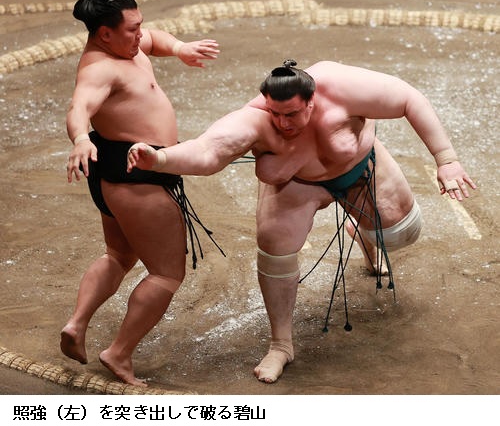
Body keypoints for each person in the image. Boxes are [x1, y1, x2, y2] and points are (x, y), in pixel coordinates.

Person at [127, 59, 477, 384]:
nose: (283, 123)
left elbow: (409, 99)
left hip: (359, 169)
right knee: (274, 244)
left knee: (401, 233)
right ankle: (281, 345)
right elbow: (207, 151)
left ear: (311, 101)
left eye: (292, 113)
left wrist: (446, 159)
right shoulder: (254, 118)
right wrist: (160, 159)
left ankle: (361, 231)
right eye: (275, 113)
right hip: (295, 184)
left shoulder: (340, 86)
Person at [61, 0, 220, 387]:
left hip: (116, 169)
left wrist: (180, 48)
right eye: (132, 29)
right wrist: (79, 138)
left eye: (139, 25)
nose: (140, 35)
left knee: (118, 255)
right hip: (137, 177)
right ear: (104, 34)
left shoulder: (125, 46)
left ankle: (76, 324)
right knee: (166, 274)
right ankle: (119, 353)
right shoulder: (100, 68)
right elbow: (79, 106)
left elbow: (154, 39)